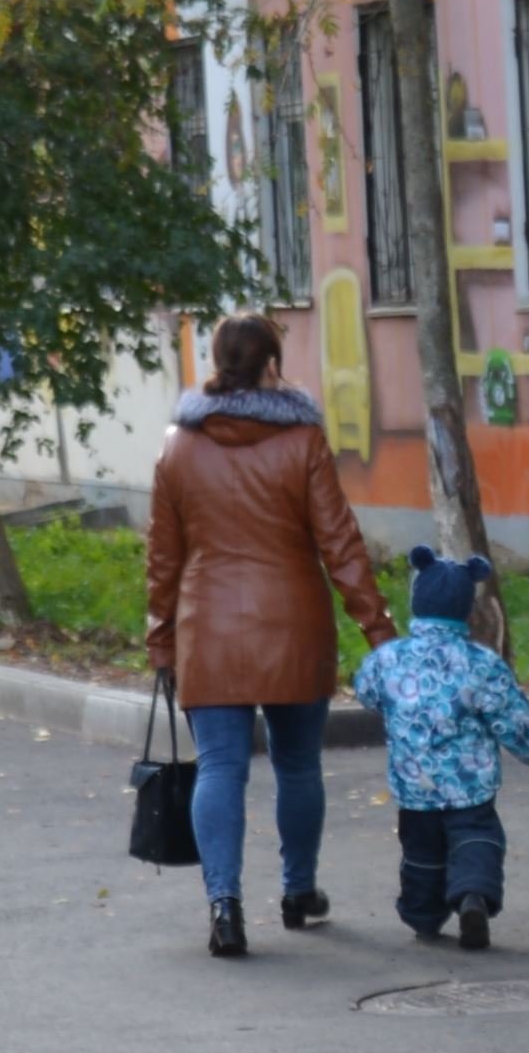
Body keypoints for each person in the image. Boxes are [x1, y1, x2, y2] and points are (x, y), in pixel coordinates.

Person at [145, 315, 388, 958]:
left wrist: (161, 641)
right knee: (298, 766)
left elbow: (162, 559)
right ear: (272, 366)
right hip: (294, 626)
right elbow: (341, 543)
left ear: (215, 363)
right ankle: (297, 892)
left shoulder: (177, 446)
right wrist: (380, 632)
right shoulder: (303, 440)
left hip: (209, 630)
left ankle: (224, 906)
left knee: (220, 767)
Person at [352, 548, 529, 951]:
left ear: (416, 601)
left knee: (421, 853)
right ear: (465, 608)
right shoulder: (481, 663)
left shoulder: (389, 660)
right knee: (477, 838)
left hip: (415, 785)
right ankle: (472, 896)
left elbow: (366, 692)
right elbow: (510, 716)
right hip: (471, 784)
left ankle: (422, 914)